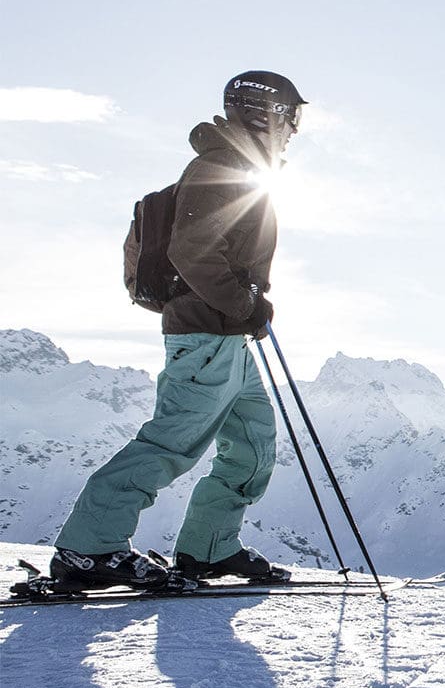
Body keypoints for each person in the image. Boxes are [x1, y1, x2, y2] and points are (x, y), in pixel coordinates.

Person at [49, 71, 306, 589]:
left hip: (228, 335)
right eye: (290, 116)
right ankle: (88, 549)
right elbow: (192, 252)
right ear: (265, 113)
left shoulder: (243, 168)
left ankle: (210, 548)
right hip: (206, 335)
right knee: (172, 442)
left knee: (252, 446)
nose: (294, 129)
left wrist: (249, 305)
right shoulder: (221, 168)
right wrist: (245, 303)